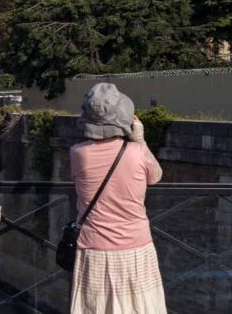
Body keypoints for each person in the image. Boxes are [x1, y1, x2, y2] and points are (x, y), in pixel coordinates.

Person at [69, 83, 166, 314]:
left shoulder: (77, 153)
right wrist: (139, 140)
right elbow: (156, 176)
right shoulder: (137, 152)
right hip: (136, 246)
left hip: (94, 247)